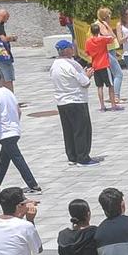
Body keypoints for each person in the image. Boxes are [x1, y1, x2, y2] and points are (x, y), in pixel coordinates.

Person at [0, 68, 39, 195]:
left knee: (17, 159)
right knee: (4, 159)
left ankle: (34, 186)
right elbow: (19, 111)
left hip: (6, 133)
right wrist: (14, 124)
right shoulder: (8, 92)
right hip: (14, 131)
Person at [49, 39, 97, 167]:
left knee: (68, 131)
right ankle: (83, 157)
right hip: (76, 100)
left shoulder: (54, 65)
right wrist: (88, 75)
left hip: (62, 102)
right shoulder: (72, 64)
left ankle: (72, 156)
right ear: (68, 50)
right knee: (81, 130)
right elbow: (84, 82)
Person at [81, 22, 121, 112]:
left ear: (91, 32)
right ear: (99, 31)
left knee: (99, 87)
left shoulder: (88, 41)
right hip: (104, 65)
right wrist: (107, 26)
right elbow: (113, 37)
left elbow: (87, 53)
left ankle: (102, 106)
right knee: (110, 85)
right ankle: (113, 105)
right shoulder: (102, 39)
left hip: (95, 66)